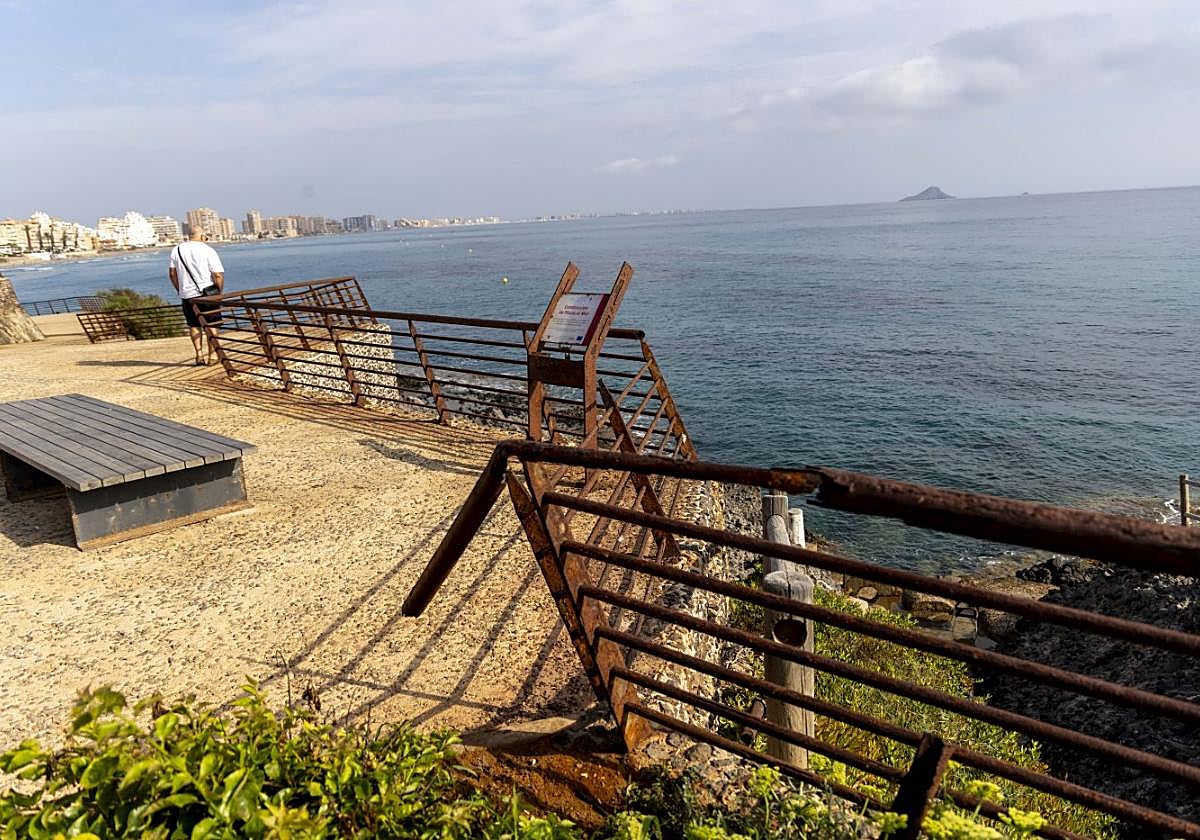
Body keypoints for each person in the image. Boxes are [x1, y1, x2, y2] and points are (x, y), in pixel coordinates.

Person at [168, 229, 224, 365]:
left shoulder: (177, 250)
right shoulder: (208, 250)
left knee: (193, 325)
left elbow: (172, 274)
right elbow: (218, 275)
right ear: (203, 236)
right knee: (211, 325)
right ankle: (212, 356)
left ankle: (199, 355)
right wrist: (218, 292)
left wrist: (180, 289)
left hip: (187, 295)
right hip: (207, 293)